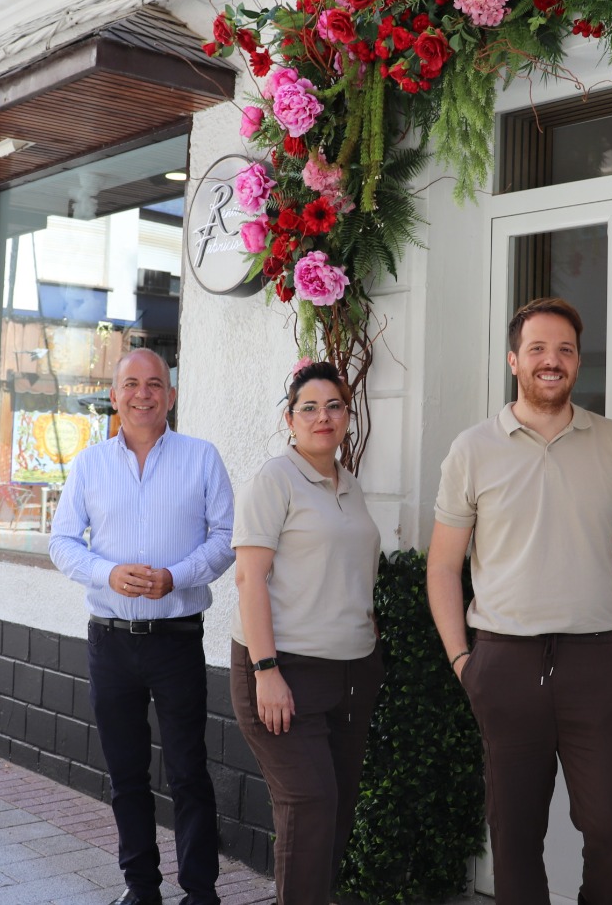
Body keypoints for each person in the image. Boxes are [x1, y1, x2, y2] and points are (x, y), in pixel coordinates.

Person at [426, 297, 612, 905]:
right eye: (537, 349)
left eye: (563, 350)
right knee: (515, 840)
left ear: (579, 363)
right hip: (504, 664)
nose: (550, 361)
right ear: (514, 360)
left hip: (595, 664)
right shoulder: (473, 449)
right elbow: (444, 565)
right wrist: (463, 660)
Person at [49, 349, 234, 905]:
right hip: (109, 641)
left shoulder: (202, 458)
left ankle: (200, 892)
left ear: (171, 396)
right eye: (131, 383)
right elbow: (60, 543)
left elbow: (225, 539)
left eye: (155, 384)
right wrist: (107, 572)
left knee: (188, 772)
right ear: (115, 395)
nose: (143, 393)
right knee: (126, 775)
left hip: (177, 638)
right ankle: (141, 889)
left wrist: (175, 577)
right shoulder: (88, 465)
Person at [230, 362, 385, 905]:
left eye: (335, 406)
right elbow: (249, 577)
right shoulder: (276, 479)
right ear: (289, 419)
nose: (324, 417)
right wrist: (266, 672)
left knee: (335, 812)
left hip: (350, 674)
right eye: (310, 407)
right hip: (285, 670)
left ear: (348, 416)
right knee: (310, 804)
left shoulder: (351, 486)